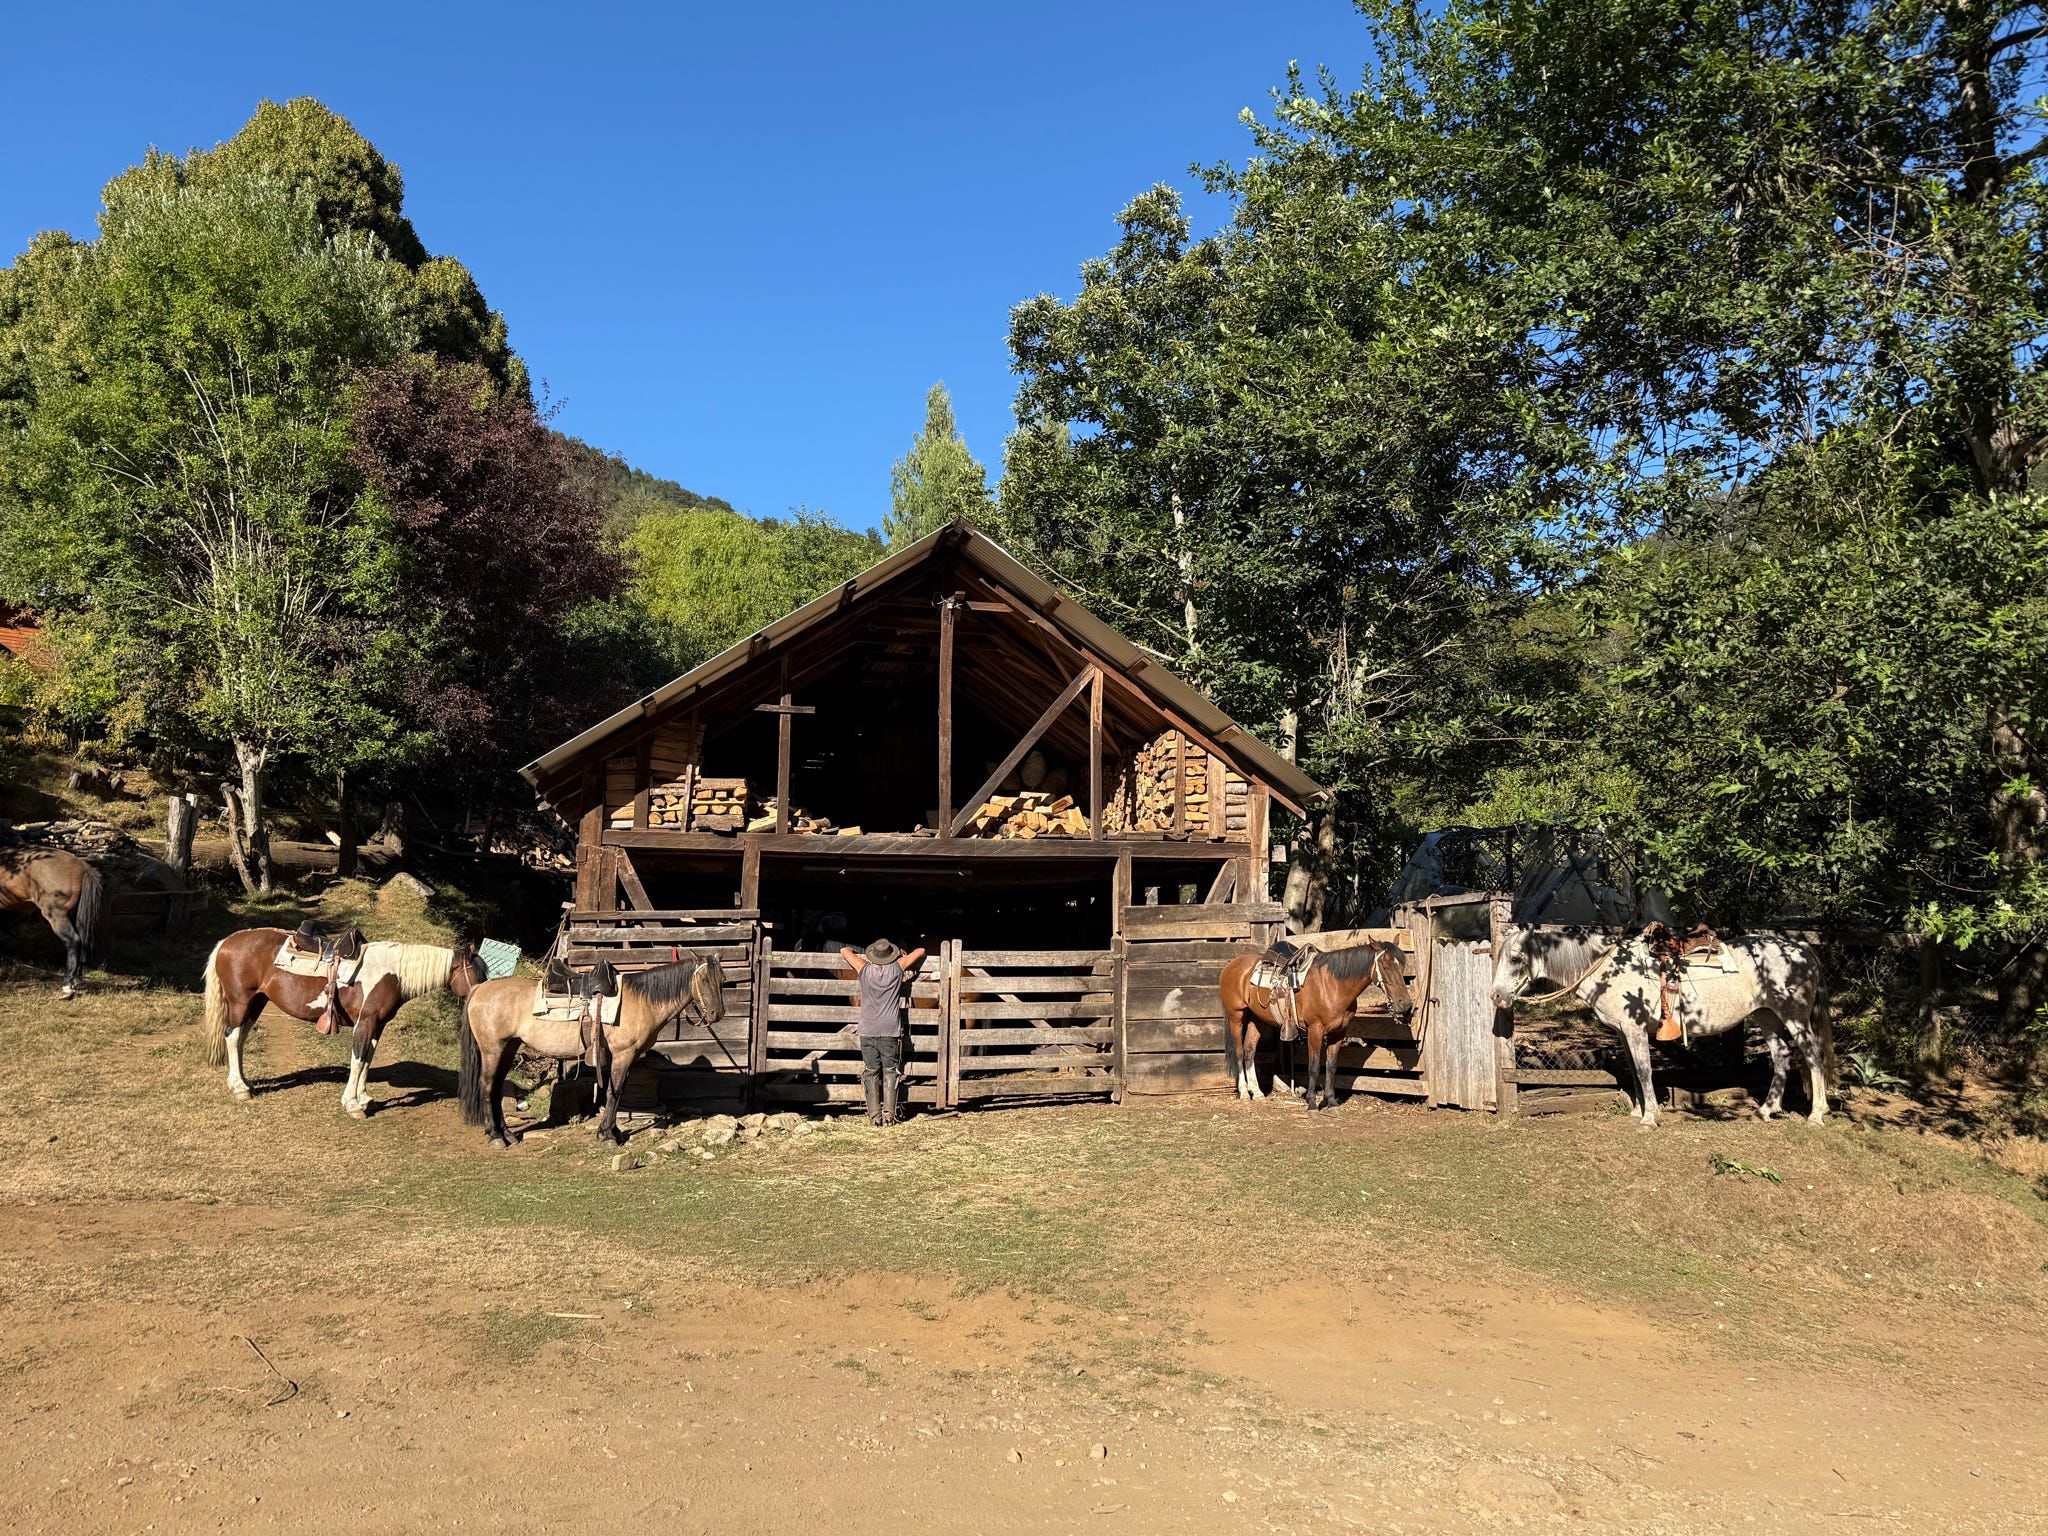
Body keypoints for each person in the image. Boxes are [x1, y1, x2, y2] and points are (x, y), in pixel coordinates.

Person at [837, 938, 927, 1125]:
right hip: (890, 1029)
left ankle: (874, 1116)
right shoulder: (897, 968)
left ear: (873, 955)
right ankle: (889, 1115)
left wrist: (856, 952)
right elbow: (920, 950)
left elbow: (843, 950)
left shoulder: (864, 968)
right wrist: (903, 955)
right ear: (890, 955)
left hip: (867, 1029)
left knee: (871, 1071)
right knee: (891, 1071)